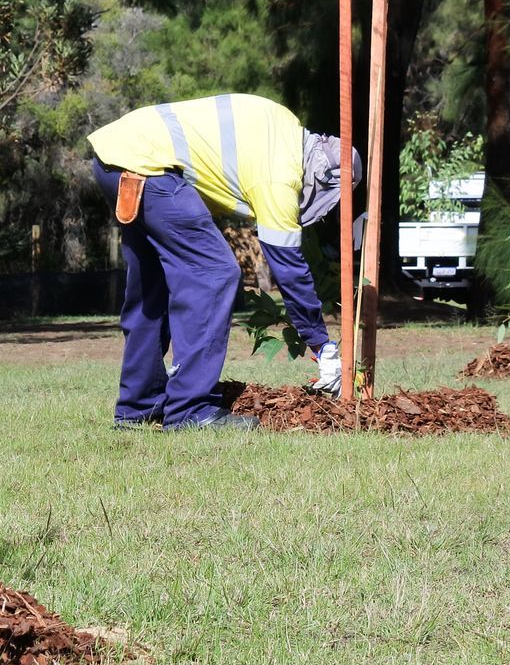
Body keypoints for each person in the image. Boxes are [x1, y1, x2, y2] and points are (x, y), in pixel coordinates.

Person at [87, 93, 360, 429]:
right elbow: (288, 267)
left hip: (114, 159)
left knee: (151, 286)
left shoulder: (285, 126)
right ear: (324, 177)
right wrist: (321, 344)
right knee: (214, 273)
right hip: (150, 166)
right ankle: (190, 410)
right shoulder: (281, 172)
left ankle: (137, 408)